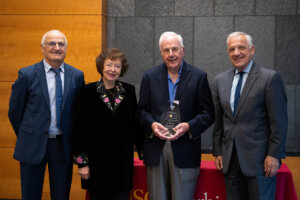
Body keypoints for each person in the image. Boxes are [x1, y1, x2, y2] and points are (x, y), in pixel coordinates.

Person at [8, 30, 85, 199]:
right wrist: (29, 134)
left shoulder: (77, 76)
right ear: (42, 48)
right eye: (52, 43)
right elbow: (15, 112)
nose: (57, 47)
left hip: (62, 146)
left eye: (61, 44)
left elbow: (79, 114)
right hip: (32, 144)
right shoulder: (27, 75)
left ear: (66, 48)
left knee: (61, 195)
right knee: (30, 194)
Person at [138, 31, 215, 200]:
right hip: (156, 148)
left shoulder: (198, 77)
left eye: (175, 49)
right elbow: (141, 111)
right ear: (161, 53)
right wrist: (151, 125)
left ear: (183, 50)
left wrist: (189, 126)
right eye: (166, 50)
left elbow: (208, 113)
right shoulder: (149, 77)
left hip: (185, 147)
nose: (171, 54)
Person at [212, 31, 287, 200]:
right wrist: (218, 151)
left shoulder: (269, 78)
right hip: (230, 160)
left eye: (241, 47)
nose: (236, 52)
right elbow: (219, 121)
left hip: (260, 161)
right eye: (231, 49)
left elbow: (279, 121)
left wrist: (274, 154)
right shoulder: (220, 80)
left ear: (252, 49)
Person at [72, 48, 143, 200]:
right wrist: (82, 164)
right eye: (109, 65)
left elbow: (136, 125)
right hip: (96, 164)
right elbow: (79, 129)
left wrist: (145, 153)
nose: (112, 70)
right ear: (101, 67)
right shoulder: (87, 91)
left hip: (122, 163)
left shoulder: (128, 91)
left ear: (121, 69)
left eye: (117, 66)